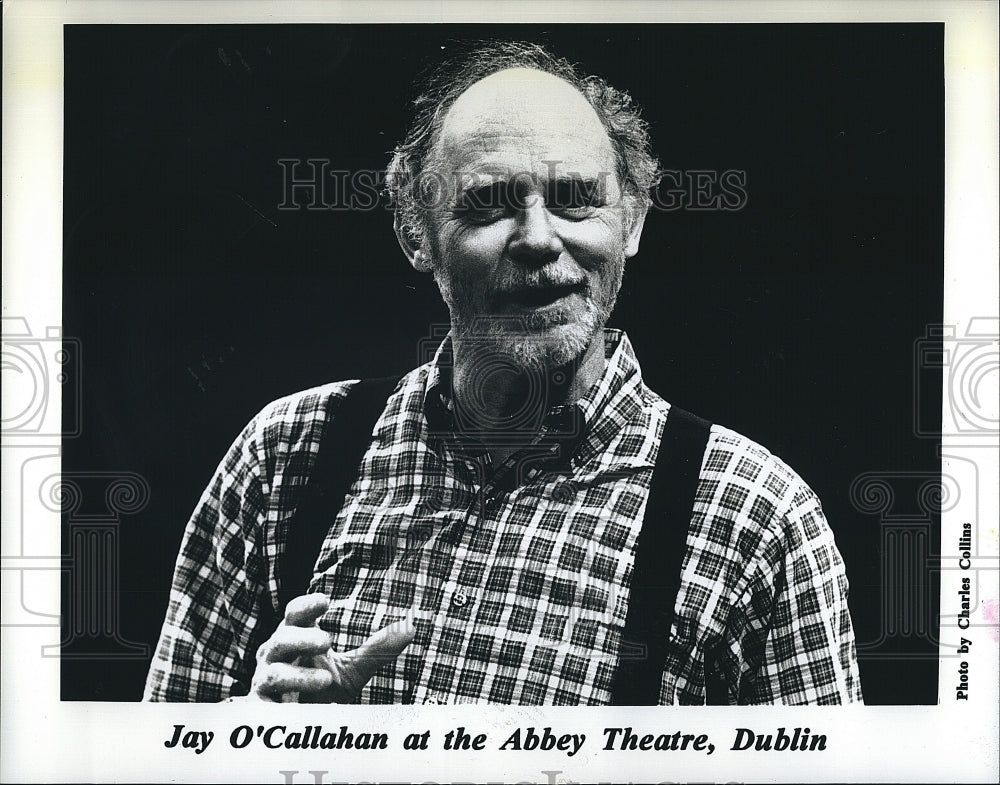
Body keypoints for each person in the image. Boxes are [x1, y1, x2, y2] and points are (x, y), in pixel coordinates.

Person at [144, 41, 863, 705]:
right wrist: (242, 739)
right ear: (415, 234)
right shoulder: (286, 455)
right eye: (488, 203)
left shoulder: (758, 519)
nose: (539, 239)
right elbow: (149, 762)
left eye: (576, 197)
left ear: (633, 222)